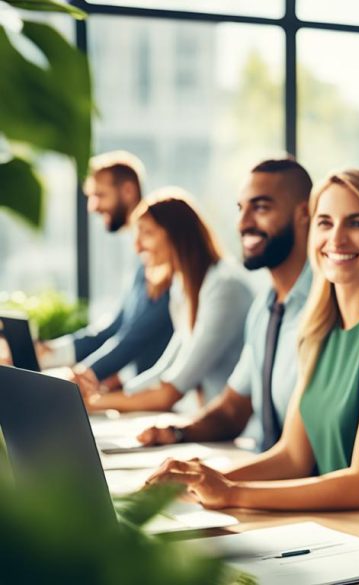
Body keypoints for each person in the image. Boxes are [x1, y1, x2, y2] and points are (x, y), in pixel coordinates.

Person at [147, 170, 359, 535]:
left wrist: (233, 493)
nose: (337, 238)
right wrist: (199, 480)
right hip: (345, 531)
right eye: (325, 222)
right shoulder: (318, 331)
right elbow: (293, 456)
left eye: (357, 223)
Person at [136, 158, 313, 450]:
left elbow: (298, 456)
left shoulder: (325, 309)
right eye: (241, 209)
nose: (243, 224)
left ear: (303, 213)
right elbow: (232, 409)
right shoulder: (264, 310)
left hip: (297, 485)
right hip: (256, 466)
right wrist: (176, 433)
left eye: (261, 208)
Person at [85, 189, 252, 413]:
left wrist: (95, 402)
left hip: (237, 433)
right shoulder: (182, 287)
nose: (138, 246)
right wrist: (107, 396)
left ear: (176, 235)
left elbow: (172, 390)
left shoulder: (224, 288)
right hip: (204, 424)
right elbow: (166, 369)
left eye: (147, 233)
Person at [40, 151, 173, 393]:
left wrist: (81, 376)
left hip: (162, 397)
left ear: (128, 191)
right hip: (141, 391)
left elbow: (134, 336)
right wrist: (50, 353)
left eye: (100, 195)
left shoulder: (162, 256)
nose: (92, 207)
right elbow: (117, 326)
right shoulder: (140, 257)